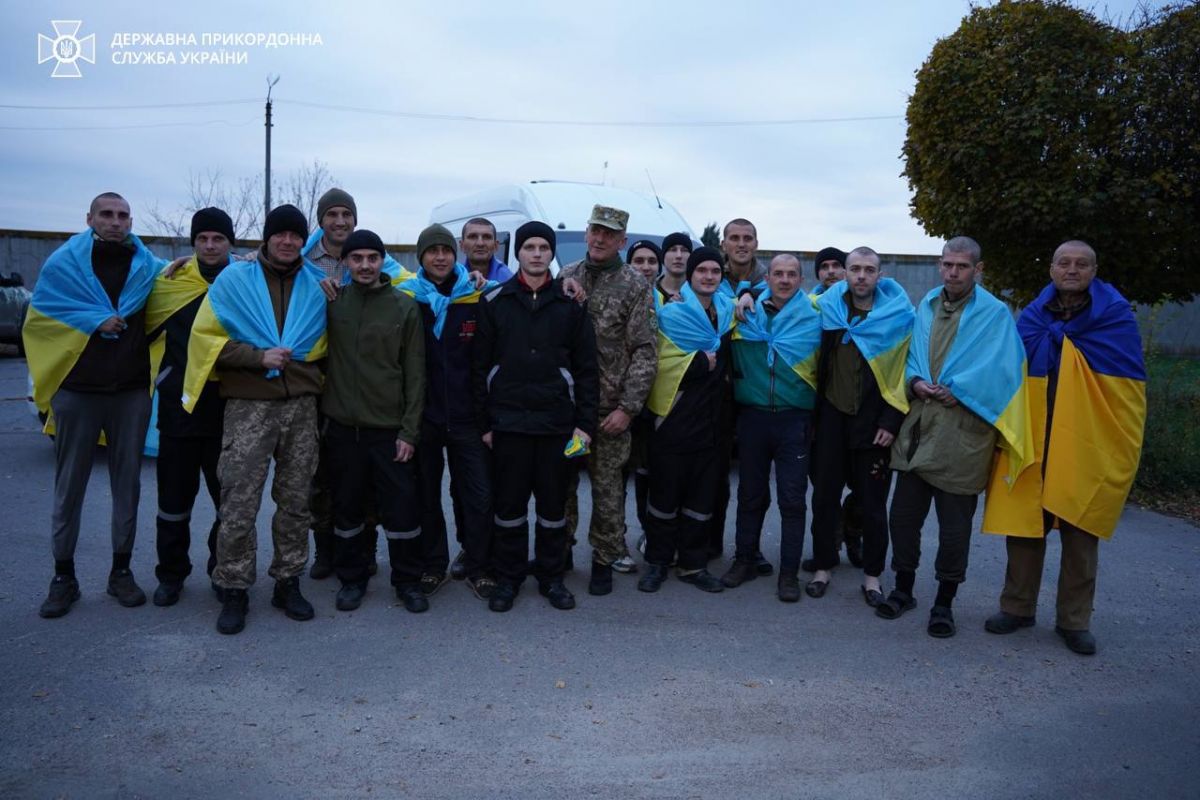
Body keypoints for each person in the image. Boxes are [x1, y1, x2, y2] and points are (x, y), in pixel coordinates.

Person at [982, 240, 1146, 656]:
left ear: (1094, 270)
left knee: (1080, 531)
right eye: (1064, 263)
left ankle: (1074, 621)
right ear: (1052, 269)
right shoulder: (1034, 317)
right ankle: (1016, 608)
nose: (1072, 270)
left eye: (1081, 264)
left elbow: (1127, 390)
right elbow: (1010, 372)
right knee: (1024, 528)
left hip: (1086, 442)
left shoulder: (1114, 318)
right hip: (1036, 436)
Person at [183, 204, 328, 635]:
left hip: (301, 405)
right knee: (239, 501)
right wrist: (256, 356)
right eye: (280, 234)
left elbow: (324, 344)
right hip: (249, 405)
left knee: (296, 501)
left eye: (296, 235)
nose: (288, 241)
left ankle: (288, 580)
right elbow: (207, 341)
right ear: (267, 238)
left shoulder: (319, 287)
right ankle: (234, 586)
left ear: (305, 240)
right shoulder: (234, 281)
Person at [876, 237, 1030, 637]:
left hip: (963, 435)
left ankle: (944, 602)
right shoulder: (925, 305)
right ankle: (904, 589)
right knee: (904, 519)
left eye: (962, 266)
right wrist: (913, 381)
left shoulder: (994, 314)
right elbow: (909, 356)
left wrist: (959, 389)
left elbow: (1005, 370)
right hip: (920, 430)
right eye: (947, 265)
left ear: (978, 270)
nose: (953, 273)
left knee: (954, 530)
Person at [24, 192, 161, 618]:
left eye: (122, 216)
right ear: (90, 218)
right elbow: (41, 313)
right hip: (78, 390)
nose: (115, 222)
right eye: (107, 214)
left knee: (128, 487)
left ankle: (120, 572)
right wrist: (92, 319)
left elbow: (187, 281)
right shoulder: (64, 264)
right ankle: (63, 576)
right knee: (70, 488)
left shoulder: (148, 268)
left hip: (130, 392)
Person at [473, 221, 599, 612]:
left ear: (551, 253)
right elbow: (479, 369)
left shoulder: (570, 305)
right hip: (508, 425)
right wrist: (486, 425)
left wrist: (584, 425)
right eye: (530, 246)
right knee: (508, 509)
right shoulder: (494, 302)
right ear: (519, 253)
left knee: (552, 510)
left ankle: (551, 578)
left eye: (544, 247)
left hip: (555, 426)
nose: (537, 253)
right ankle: (508, 579)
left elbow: (586, 370)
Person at [323, 229, 427, 613]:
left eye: (372, 258)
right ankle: (352, 577)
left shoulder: (404, 307)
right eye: (356, 259)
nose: (364, 265)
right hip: (343, 430)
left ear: (383, 261)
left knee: (401, 510)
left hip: (390, 431)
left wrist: (409, 431)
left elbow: (416, 375)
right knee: (348, 509)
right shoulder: (332, 303)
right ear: (346, 263)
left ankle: (407, 581)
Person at [807, 247, 913, 608]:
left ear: (879, 275)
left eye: (869, 270)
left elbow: (903, 373)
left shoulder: (897, 318)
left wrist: (891, 420)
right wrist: (746, 293)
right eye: (855, 269)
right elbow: (783, 303)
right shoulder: (828, 309)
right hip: (832, 420)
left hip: (874, 424)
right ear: (846, 274)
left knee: (872, 505)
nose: (861, 276)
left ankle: (872, 577)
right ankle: (822, 567)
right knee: (824, 499)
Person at [559, 205, 657, 595]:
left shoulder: (635, 285)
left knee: (608, 486)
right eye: (595, 231)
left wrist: (627, 408)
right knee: (562, 481)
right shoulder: (566, 277)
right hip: (568, 408)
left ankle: (605, 554)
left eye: (609, 234)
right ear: (586, 233)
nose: (600, 239)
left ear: (623, 241)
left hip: (609, 409)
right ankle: (560, 547)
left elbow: (645, 351)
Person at [144, 207, 235, 606]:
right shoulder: (170, 282)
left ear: (230, 242)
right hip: (177, 409)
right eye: (203, 239)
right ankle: (171, 574)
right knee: (173, 502)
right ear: (193, 242)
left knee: (228, 502)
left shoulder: (242, 282)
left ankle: (222, 569)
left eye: (218, 238)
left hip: (226, 410)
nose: (210, 246)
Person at [403, 224, 498, 601]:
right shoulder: (409, 299)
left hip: (466, 418)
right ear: (422, 257)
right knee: (426, 497)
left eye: (445, 250)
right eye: (432, 251)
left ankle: (479, 566)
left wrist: (485, 418)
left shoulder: (474, 298)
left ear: (454, 254)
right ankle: (433, 565)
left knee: (479, 496)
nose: (440, 257)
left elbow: (485, 364)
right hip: (425, 418)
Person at [723, 254, 822, 601]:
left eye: (791, 274)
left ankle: (789, 574)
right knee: (750, 495)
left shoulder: (815, 315)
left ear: (800, 278)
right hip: (753, 416)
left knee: (793, 500)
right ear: (769, 277)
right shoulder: (745, 311)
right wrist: (748, 290)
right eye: (777, 273)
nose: (784, 280)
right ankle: (744, 560)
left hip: (794, 418)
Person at [638, 247, 734, 594]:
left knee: (701, 500)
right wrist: (696, 364)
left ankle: (693, 565)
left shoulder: (727, 312)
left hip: (712, 424)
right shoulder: (672, 313)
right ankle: (657, 563)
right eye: (702, 271)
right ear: (690, 276)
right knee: (663, 498)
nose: (709, 277)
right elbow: (658, 361)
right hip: (673, 419)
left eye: (715, 271)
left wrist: (751, 293)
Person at [460, 217, 513, 283]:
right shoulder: (453, 278)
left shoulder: (508, 280)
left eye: (487, 237)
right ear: (462, 245)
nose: (480, 243)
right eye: (473, 237)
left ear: (496, 246)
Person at [656, 232, 691, 305]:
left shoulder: (699, 293)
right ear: (663, 257)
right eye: (673, 250)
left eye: (684, 250)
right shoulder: (649, 291)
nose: (679, 255)